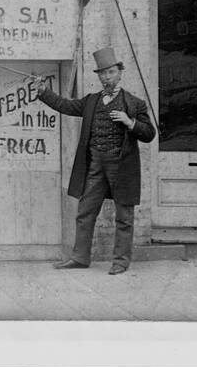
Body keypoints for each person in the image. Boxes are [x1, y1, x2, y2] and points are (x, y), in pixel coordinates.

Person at [38, 46, 157, 275]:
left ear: (120, 73)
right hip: (95, 165)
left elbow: (149, 134)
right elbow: (66, 105)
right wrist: (44, 92)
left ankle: (121, 261)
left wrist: (129, 122)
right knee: (85, 212)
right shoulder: (91, 101)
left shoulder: (134, 103)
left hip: (121, 167)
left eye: (111, 72)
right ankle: (80, 258)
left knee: (124, 216)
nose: (107, 77)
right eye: (102, 73)